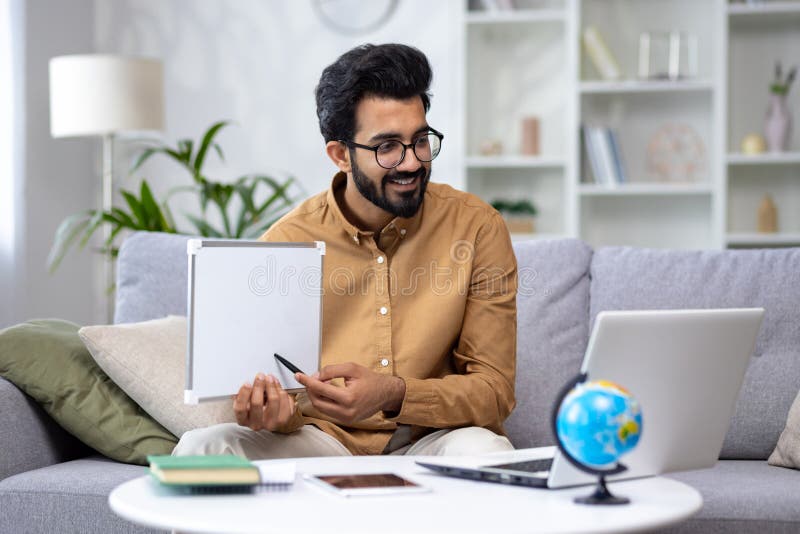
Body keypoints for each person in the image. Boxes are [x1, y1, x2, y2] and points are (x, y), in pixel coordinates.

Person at [174, 43, 517, 458]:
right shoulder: (285, 244)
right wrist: (278, 413)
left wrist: (395, 394)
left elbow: (495, 391)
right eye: (387, 146)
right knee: (204, 447)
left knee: (486, 450)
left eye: (420, 140)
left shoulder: (477, 227)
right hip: (326, 443)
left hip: (432, 441)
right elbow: (271, 392)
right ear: (340, 155)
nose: (411, 162)